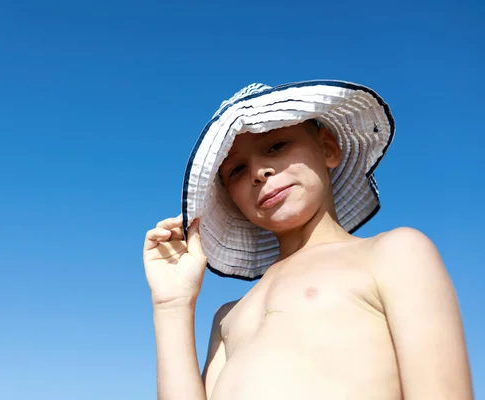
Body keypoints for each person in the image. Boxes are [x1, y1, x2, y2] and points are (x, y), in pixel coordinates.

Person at [142, 81, 473, 400]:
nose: (258, 171)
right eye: (238, 170)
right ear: (233, 199)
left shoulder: (394, 253)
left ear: (328, 148)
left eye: (277, 146)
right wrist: (172, 305)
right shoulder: (229, 317)